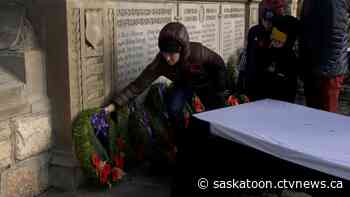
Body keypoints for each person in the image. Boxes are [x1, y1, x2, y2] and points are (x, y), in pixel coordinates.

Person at [105, 21, 227, 134]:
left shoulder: (198, 52)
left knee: (216, 111)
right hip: (183, 84)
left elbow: (218, 63)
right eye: (164, 53)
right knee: (173, 107)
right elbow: (138, 85)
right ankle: (182, 136)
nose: (167, 58)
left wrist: (220, 87)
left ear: (181, 50)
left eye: (171, 54)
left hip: (204, 82)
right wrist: (114, 105)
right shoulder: (160, 63)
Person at [299, 0, 349, 112]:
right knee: (312, 116)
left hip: (327, 72)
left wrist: (325, 69)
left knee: (327, 119)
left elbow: (335, 34)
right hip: (313, 68)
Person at [266, 15, 299, 102]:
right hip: (268, 96)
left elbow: (291, 83)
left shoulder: (290, 56)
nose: (274, 43)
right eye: (273, 40)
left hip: (283, 97)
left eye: (278, 41)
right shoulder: (270, 51)